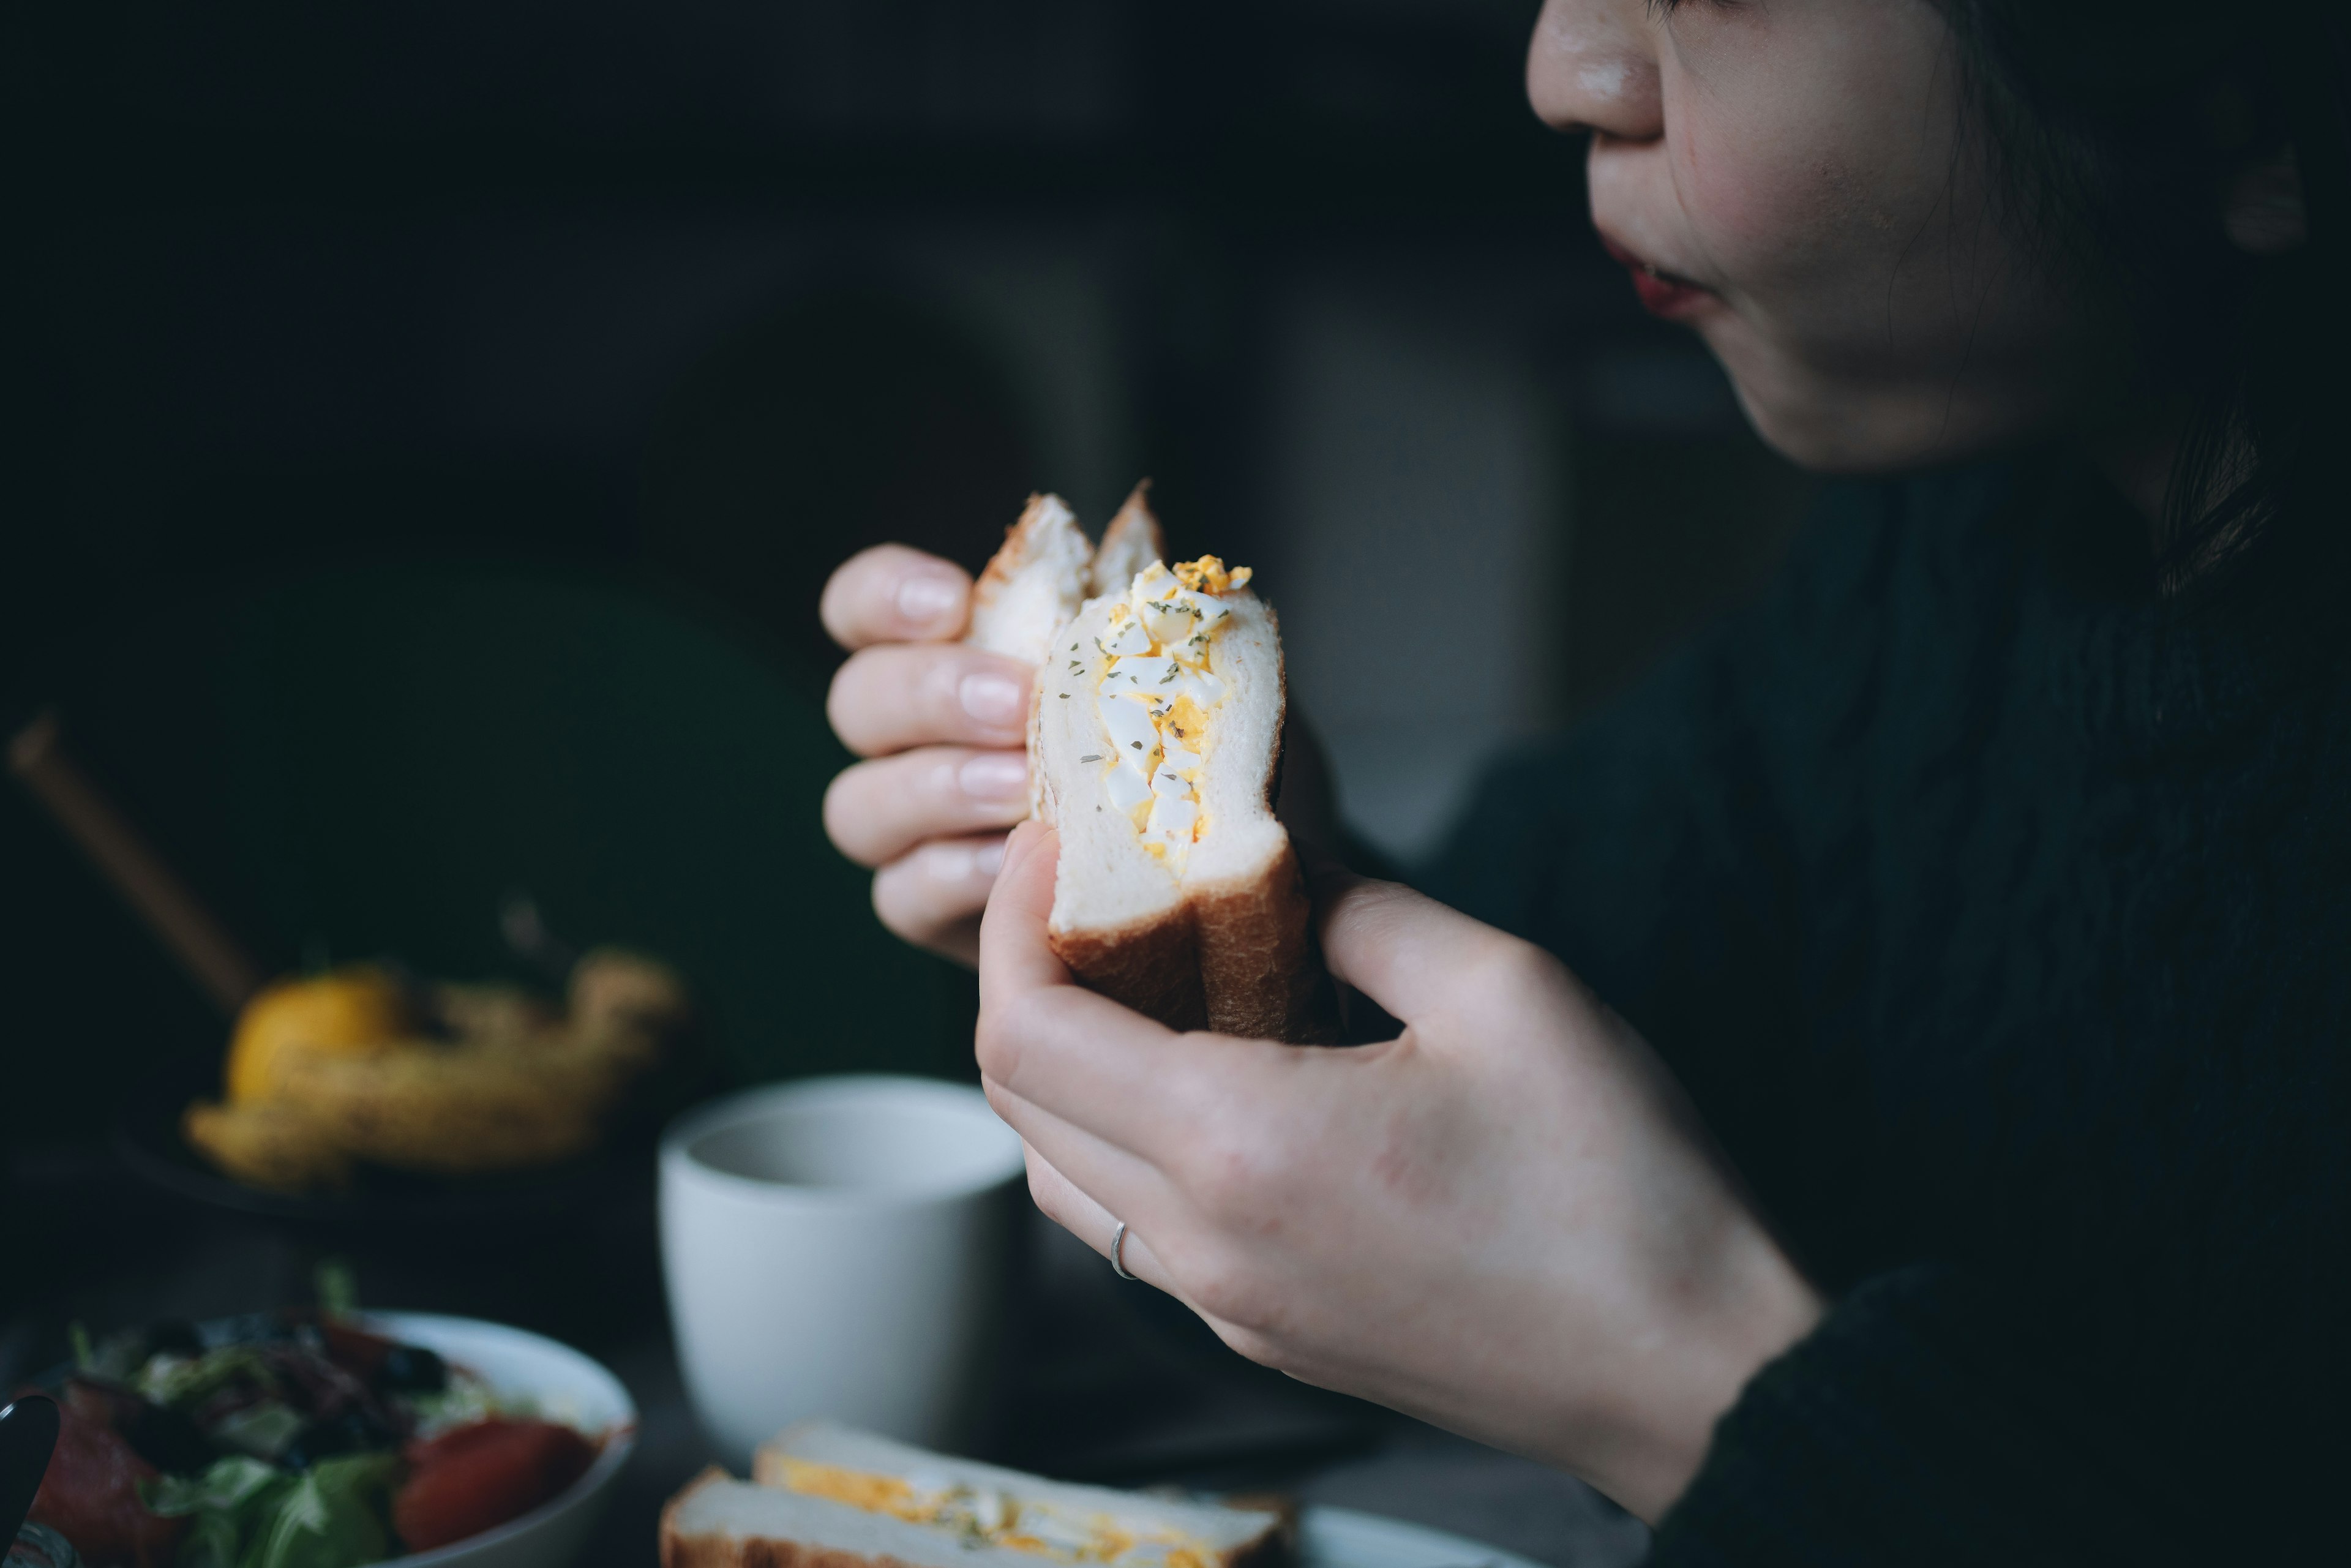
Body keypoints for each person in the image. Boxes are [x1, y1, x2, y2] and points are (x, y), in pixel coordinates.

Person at [819, 1, 2350, 1558]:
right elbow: (1480, 1103)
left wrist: (1679, 1376)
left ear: (2258, 110)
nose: (1566, 70)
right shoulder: (1944, 562)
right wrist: (1239, 940)